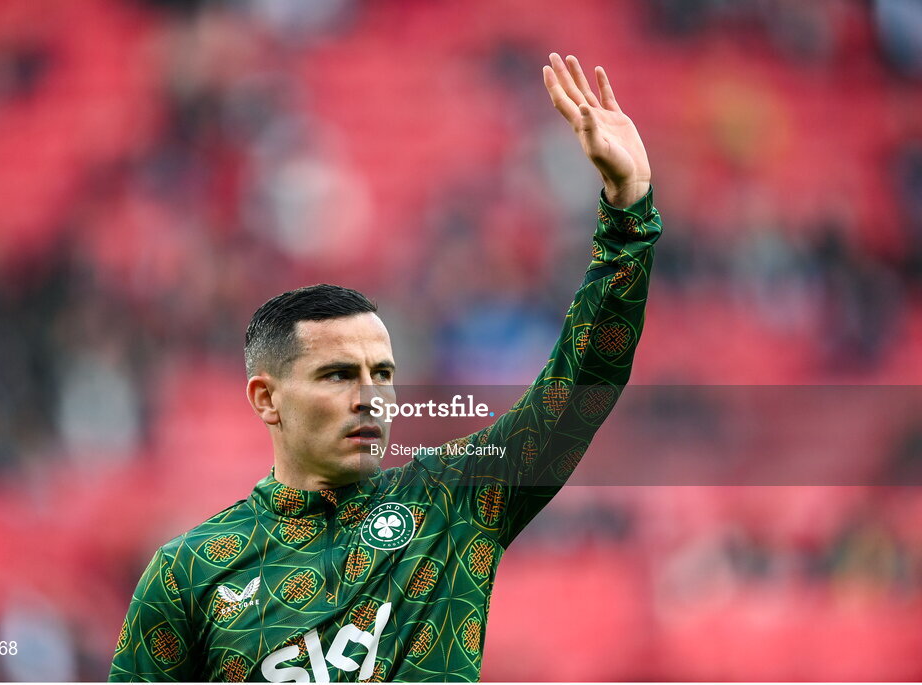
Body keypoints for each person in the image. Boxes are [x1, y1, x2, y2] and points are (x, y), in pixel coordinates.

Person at [109, 53, 661, 682]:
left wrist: (628, 214)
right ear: (267, 398)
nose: (371, 396)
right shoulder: (188, 575)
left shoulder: (451, 505)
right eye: (337, 375)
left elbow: (581, 390)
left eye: (384, 373)